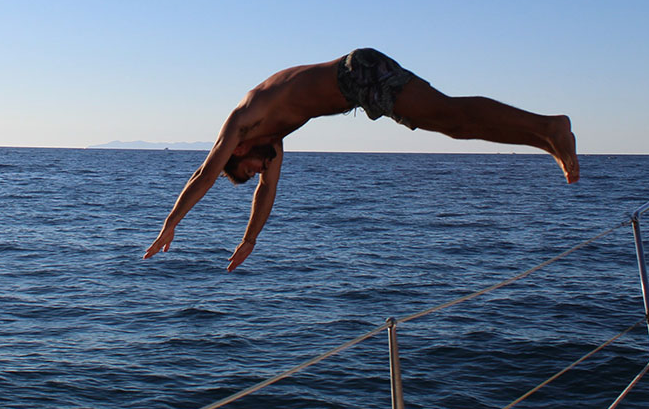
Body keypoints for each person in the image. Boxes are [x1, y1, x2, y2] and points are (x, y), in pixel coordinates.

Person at [143, 48, 578, 271]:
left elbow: (204, 172)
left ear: (236, 153)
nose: (258, 170)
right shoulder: (270, 137)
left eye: (246, 168)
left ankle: (549, 126)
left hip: (357, 75)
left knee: (451, 115)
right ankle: (544, 137)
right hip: (359, 82)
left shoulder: (243, 121)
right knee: (453, 123)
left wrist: (170, 224)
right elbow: (267, 192)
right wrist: (251, 239)